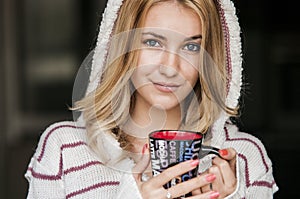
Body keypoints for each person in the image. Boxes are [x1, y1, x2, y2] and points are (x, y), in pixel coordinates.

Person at [24, 0, 279, 198]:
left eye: (191, 47)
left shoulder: (245, 157)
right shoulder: (63, 149)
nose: (170, 68)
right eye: (153, 42)